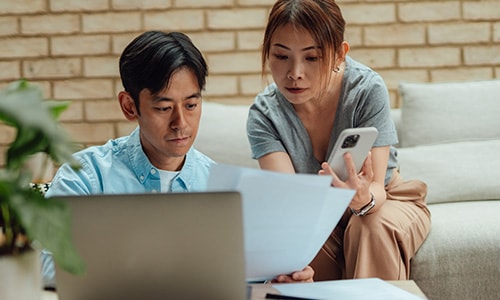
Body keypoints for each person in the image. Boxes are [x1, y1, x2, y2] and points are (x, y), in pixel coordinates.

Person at [247, 0, 431, 282]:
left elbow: (377, 188)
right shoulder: (265, 115)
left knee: (369, 225)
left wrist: (361, 199)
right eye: (281, 56)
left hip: (385, 200)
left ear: (340, 54)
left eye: (312, 58)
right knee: (293, 252)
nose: (295, 72)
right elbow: (294, 205)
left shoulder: (366, 89)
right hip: (317, 214)